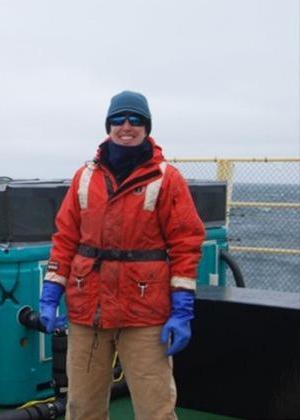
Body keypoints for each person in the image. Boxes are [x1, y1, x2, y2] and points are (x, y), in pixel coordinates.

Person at [39, 90, 205, 420]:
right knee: (81, 407)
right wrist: (51, 291)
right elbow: (65, 238)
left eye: (135, 120)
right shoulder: (84, 177)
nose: (126, 126)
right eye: (118, 119)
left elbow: (186, 243)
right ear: (108, 125)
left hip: (145, 314)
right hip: (88, 311)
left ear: (147, 126)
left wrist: (183, 309)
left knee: (155, 408)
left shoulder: (167, 179)